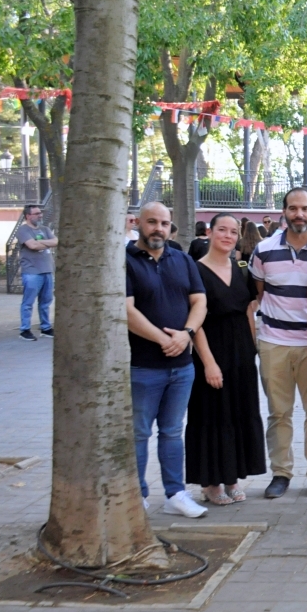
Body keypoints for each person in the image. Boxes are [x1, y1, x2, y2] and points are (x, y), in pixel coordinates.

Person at [250, 188, 307, 500]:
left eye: (304, 209)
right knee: (278, 412)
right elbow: (260, 293)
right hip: (273, 342)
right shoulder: (263, 250)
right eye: (292, 208)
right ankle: (280, 473)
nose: (299, 214)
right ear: (284, 212)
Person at [125, 202, 208, 518]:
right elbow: (126, 310)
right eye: (151, 222)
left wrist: (186, 334)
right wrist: (164, 340)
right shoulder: (125, 261)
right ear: (138, 222)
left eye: (164, 223)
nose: (158, 228)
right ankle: (137, 497)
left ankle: (175, 494)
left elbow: (199, 301)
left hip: (181, 367)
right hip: (142, 366)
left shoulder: (182, 259)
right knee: (139, 433)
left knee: (173, 432)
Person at [185, 213, 265, 505]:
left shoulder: (241, 269)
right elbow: (195, 322)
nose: (228, 236)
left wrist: (253, 350)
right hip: (211, 350)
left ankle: (232, 477)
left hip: (241, 353)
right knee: (212, 416)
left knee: (237, 414)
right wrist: (208, 363)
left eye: (233, 231)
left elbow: (248, 312)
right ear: (210, 232)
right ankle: (210, 483)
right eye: (222, 230)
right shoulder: (195, 270)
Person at [16, 204, 56, 341]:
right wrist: (46, 243)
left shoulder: (45, 229)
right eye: (37, 213)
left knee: (46, 301)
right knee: (28, 302)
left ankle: (46, 328)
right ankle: (25, 330)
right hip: (32, 271)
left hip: (47, 270)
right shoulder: (23, 230)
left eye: (40, 213)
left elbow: (56, 241)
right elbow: (32, 245)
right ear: (28, 216)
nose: (40, 215)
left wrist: (40, 242)